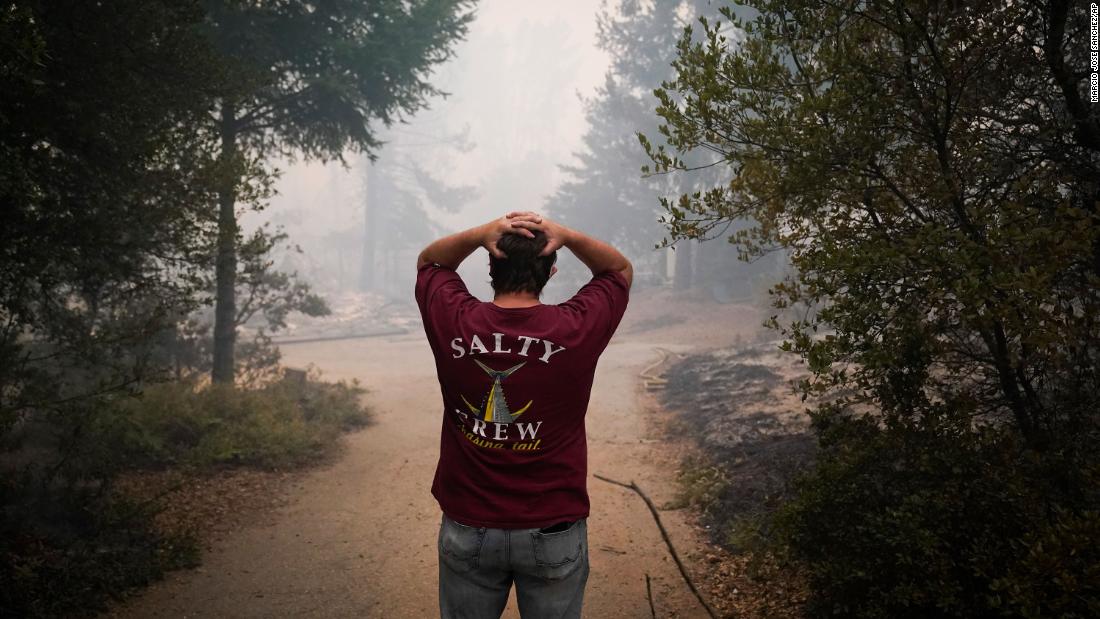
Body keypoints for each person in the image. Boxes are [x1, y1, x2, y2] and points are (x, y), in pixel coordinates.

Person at [414, 211, 632, 619]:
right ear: (551, 271)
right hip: (553, 526)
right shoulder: (573, 328)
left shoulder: (456, 320)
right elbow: (617, 268)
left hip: (468, 523)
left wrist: (481, 233)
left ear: (491, 265)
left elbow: (431, 262)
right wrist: (565, 234)